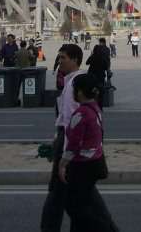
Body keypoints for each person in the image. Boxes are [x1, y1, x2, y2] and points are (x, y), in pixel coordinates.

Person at [41, 44, 102, 232]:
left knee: (60, 195)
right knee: (81, 197)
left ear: (75, 59)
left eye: (63, 58)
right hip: (69, 144)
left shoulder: (75, 85)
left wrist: (66, 157)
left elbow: (72, 122)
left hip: (70, 145)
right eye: (59, 58)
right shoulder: (71, 82)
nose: (59, 62)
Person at [58, 73, 118, 232]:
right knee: (88, 204)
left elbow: (73, 144)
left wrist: (62, 164)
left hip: (82, 166)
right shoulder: (95, 109)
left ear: (79, 92)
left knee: (76, 207)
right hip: (95, 161)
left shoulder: (81, 114)